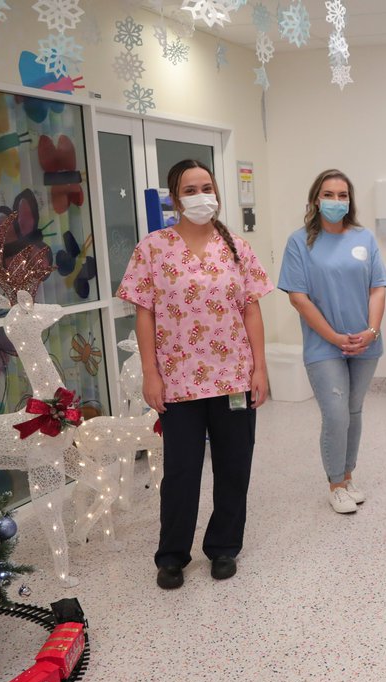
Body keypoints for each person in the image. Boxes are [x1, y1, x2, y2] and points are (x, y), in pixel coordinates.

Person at [118, 158, 272, 590]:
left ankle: (224, 548)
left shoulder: (237, 248)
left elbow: (252, 310)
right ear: (175, 198)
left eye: (207, 187)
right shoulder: (153, 248)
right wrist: (151, 373)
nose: (201, 195)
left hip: (234, 378)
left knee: (233, 466)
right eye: (190, 189)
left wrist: (259, 367)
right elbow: (144, 314)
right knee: (182, 470)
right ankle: (172, 556)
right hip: (179, 381)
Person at [277, 168, 386, 514]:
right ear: (315, 199)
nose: (336, 201)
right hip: (324, 344)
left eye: (343, 195)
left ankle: (348, 474)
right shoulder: (300, 242)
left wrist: (370, 332)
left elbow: (378, 287)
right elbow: (298, 297)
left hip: (365, 342)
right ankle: (335, 484)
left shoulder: (364, 238)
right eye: (329, 194)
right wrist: (335, 337)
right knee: (336, 413)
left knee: (354, 411)